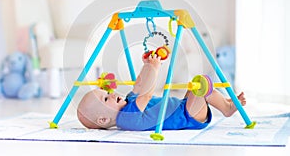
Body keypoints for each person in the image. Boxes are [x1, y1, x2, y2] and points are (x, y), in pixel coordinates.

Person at [77, 54, 246, 131]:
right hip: (187, 116)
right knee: (200, 85)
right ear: (104, 119)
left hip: (182, 106)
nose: (112, 94)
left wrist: (147, 66)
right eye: (106, 99)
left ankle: (227, 104)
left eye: (108, 92)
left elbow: (139, 85)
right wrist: (155, 70)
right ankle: (226, 107)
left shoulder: (127, 104)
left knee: (196, 87)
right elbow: (146, 94)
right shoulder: (129, 118)